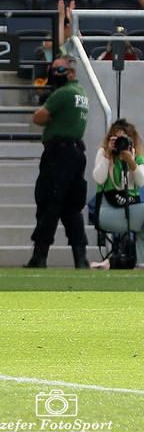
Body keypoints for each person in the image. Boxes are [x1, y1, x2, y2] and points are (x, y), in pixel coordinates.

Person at [24, 54, 90, 269]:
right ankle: (80, 258)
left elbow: (39, 117)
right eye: (54, 69)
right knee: (72, 208)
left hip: (59, 154)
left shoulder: (64, 93)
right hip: (76, 153)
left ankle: (40, 256)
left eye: (60, 70)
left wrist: (47, 114)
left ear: (72, 72)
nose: (55, 73)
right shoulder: (81, 93)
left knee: (49, 202)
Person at [90, 120, 144, 270]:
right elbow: (98, 178)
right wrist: (108, 154)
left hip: (129, 210)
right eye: (115, 139)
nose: (119, 144)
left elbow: (141, 182)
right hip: (106, 212)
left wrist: (131, 162)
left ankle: (140, 263)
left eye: (123, 140)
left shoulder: (137, 158)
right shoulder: (104, 154)